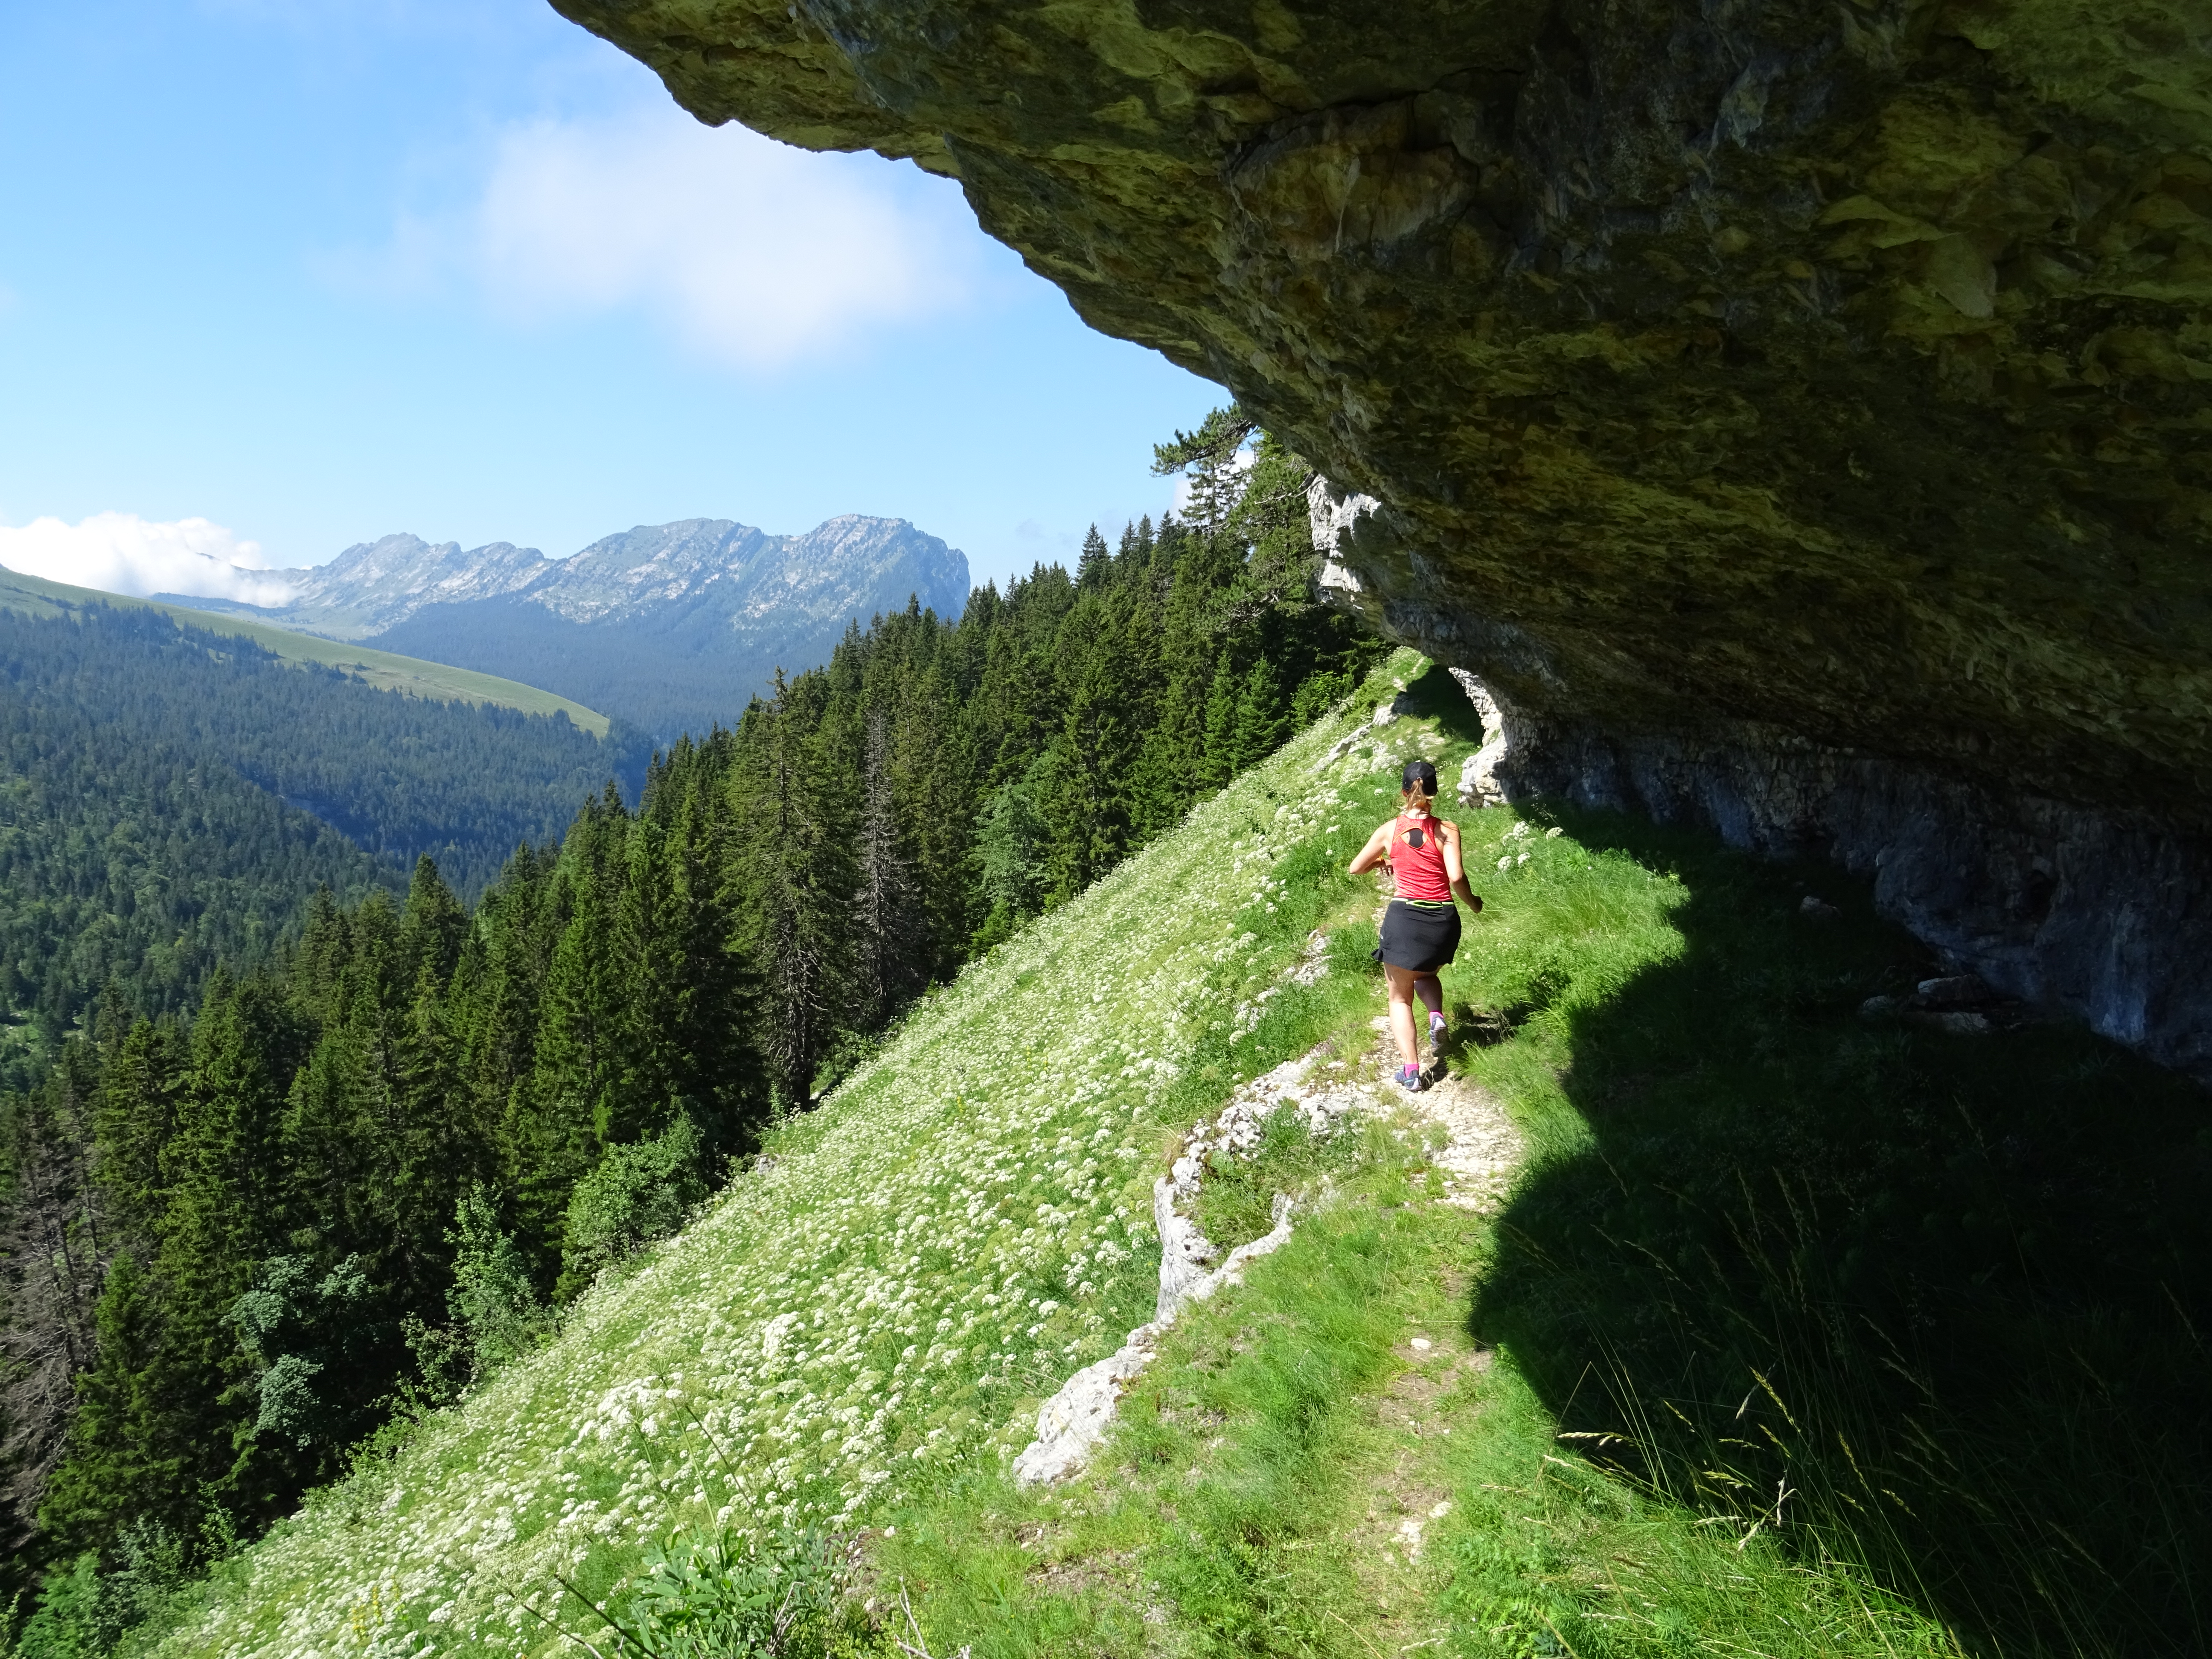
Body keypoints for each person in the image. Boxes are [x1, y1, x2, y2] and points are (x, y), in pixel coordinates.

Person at [1349, 758, 1483, 1091]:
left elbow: (1355, 868)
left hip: (1405, 919)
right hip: (1443, 920)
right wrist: (1474, 903)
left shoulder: (1389, 830)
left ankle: (1412, 1072)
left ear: (1403, 791)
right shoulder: (1447, 830)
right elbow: (1456, 877)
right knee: (1427, 972)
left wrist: (1383, 859)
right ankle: (1436, 1015)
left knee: (1399, 999)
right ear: (1435, 791)